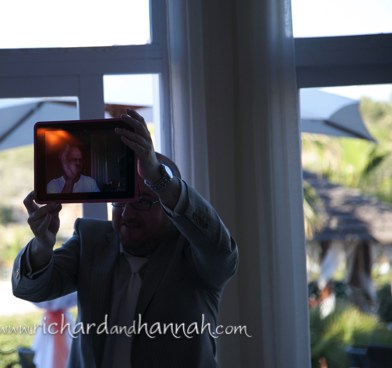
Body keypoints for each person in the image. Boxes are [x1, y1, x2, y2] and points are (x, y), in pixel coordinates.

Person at [13, 109, 238, 367]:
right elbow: (30, 289)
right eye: (120, 200)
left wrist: (158, 179)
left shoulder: (193, 253)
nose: (128, 213)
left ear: (168, 204)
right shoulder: (91, 240)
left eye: (143, 201)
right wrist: (42, 246)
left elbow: (222, 252)